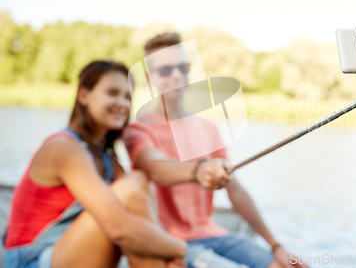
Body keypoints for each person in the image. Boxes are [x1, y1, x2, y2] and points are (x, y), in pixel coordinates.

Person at [123, 33, 309, 268]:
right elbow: (155, 168)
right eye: (166, 70)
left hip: (214, 233)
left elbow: (236, 190)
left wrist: (276, 246)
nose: (177, 76)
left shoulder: (209, 128)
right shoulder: (138, 130)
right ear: (150, 77)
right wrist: (200, 169)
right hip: (172, 242)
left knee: (284, 265)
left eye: (183, 67)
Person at [2, 60, 189, 268]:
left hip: (65, 255)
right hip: (30, 260)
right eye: (112, 93)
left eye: (128, 97)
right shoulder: (64, 147)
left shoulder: (107, 158)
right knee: (132, 188)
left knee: (138, 184)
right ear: (84, 96)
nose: (123, 103)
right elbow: (119, 227)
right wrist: (180, 249)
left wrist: (166, 254)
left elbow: (139, 213)